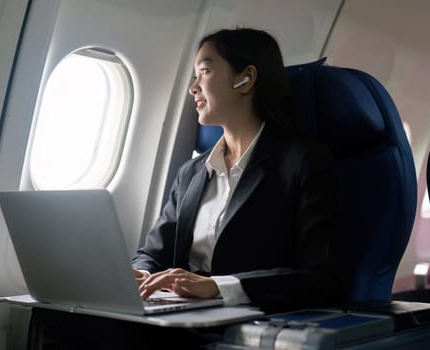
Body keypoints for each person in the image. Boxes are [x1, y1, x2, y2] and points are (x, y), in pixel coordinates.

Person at [132, 27, 342, 313]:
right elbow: (153, 254)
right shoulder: (192, 173)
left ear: (246, 79)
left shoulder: (303, 162)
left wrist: (219, 286)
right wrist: (141, 274)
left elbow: (319, 276)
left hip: (255, 319)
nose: (193, 87)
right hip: (183, 314)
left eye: (204, 71)